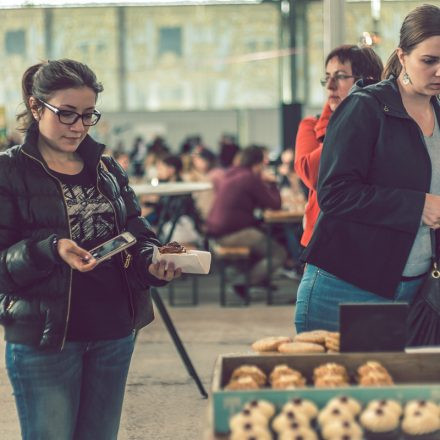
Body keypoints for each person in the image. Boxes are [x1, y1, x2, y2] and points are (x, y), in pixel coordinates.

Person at [0, 59, 181, 440]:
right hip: (46, 339)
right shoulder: (8, 172)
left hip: (114, 331)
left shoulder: (107, 168)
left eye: (87, 115)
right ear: (36, 107)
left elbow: (135, 232)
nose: (78, 127)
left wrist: (152, 262)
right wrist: (51, 249)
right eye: (66, 114)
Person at [295, 4, 440, 333]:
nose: (439, 72)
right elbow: (334, 193)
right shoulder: (365, 107)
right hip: (347, 285)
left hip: (416, 288)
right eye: (429, 61)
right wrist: (417, 206)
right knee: (334, 383)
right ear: (402, 56)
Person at [294, 44, 383, 247]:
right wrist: (349, 116)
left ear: (366, 81)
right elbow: (313, 173)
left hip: (366, 239)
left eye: (340, 76)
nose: (330, 86)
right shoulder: (311, 125)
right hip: (321, 241)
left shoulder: (382, 124)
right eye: (327, 77)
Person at [206, 145, 287, 296]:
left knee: (264, 239)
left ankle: (257, 279)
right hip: (232, 234)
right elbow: (275, 205)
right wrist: (272, 183)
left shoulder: (231, 173)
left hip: (217, 230)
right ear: (258, 163)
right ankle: (243, 282)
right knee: (278, 253)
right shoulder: (249, 178)